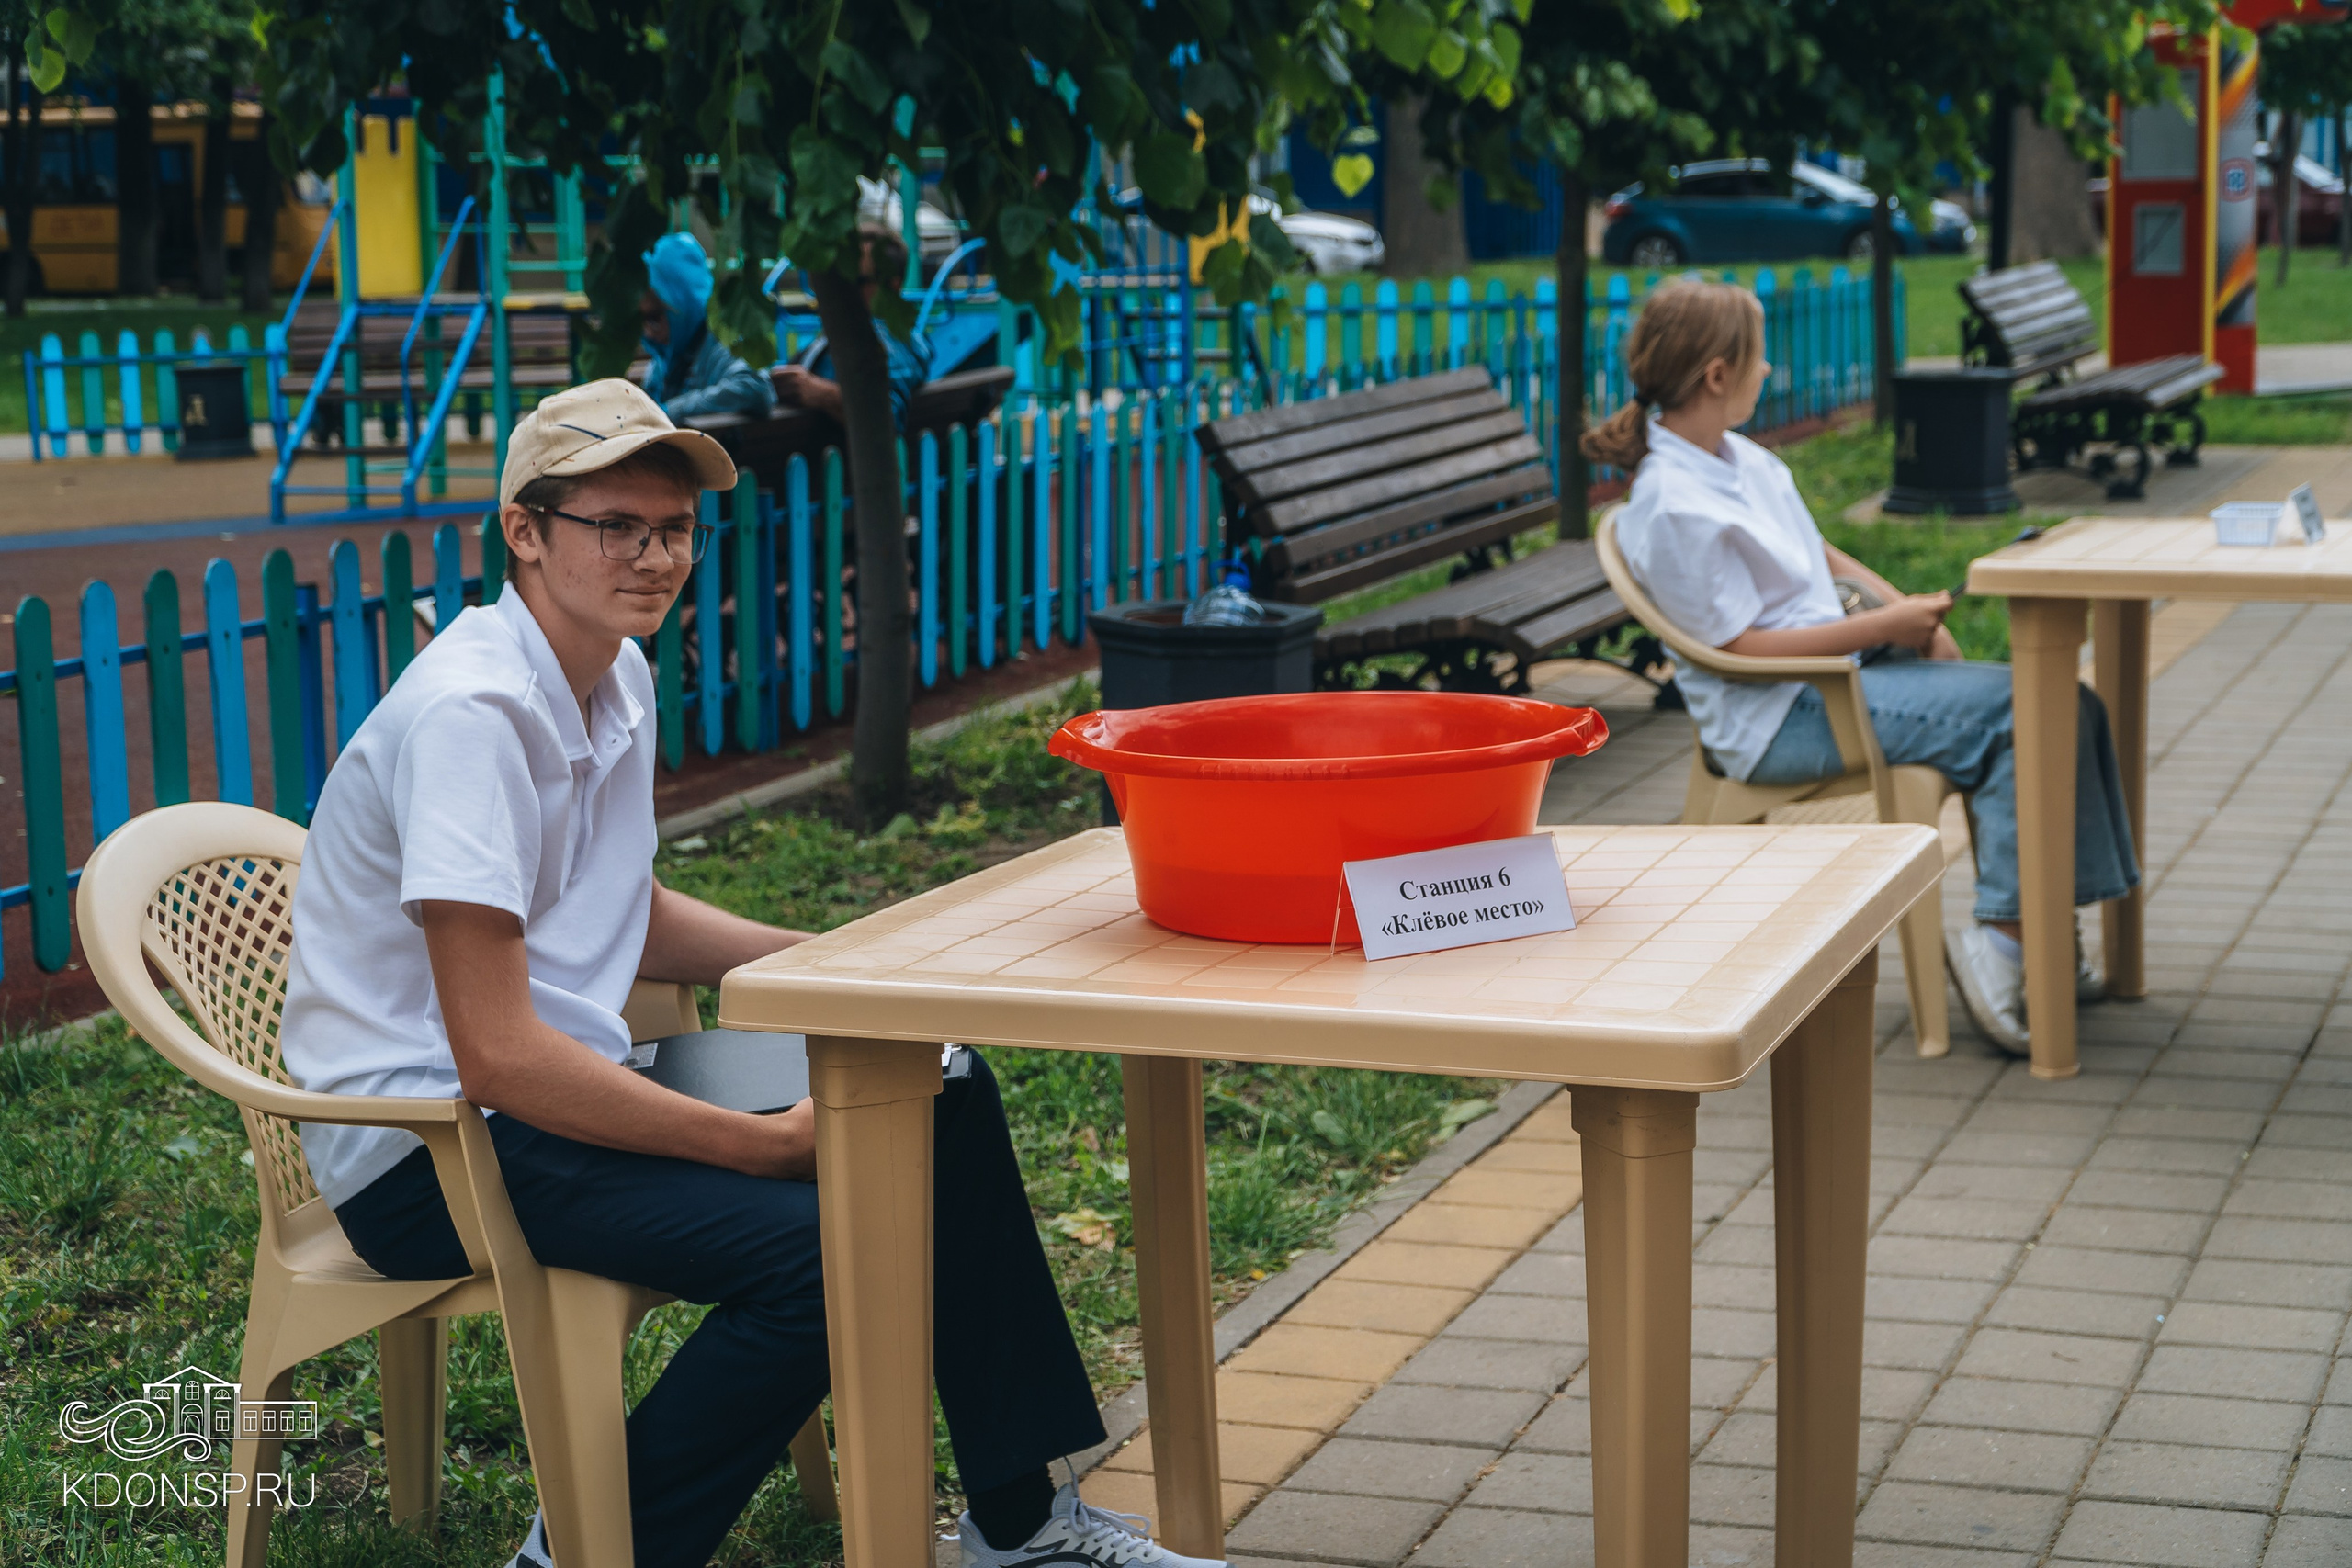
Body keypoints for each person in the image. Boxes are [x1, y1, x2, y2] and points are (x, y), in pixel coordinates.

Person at [278, 378, 1223, 1568]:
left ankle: (1017, 1522)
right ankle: (584, 1547)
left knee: (941, 1072)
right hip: (430, 1146)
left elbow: (632, 909)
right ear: (525, 529)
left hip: (558, 1081)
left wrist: (842, 965)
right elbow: (496, 1052)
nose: (655, 557)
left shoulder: (611, 672)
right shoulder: (472, 714)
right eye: (617, 525)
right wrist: (762, 1144)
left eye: (674, 529)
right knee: (830, 1243)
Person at [1589, 278, 2139, 1055]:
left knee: (2067, 704)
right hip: (1787, 713)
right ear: (1717, 375)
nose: (1770, 369)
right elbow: (1740, 650)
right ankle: (2007, 946)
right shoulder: (1673, 504)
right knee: (2028, 709)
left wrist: (1908, 619)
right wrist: (1889, 624)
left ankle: (2043, 933)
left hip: (1841, 674)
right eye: (1759, 356)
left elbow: (1818, 553)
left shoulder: (1735, 456)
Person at [771, 221, 934, 433]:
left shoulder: (886, 340)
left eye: (856, 281)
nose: (840, 293)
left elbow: (887, 416)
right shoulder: (896, 338)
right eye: (838, 281)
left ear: (893, 286)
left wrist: (820, 393)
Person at [639, 231, 777, 420]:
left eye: (655, 318)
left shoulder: (723, 344)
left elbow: (755, 387)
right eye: (642, 320)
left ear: (684, 305)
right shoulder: (664, 359)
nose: (648, 333)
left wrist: (668, 413)